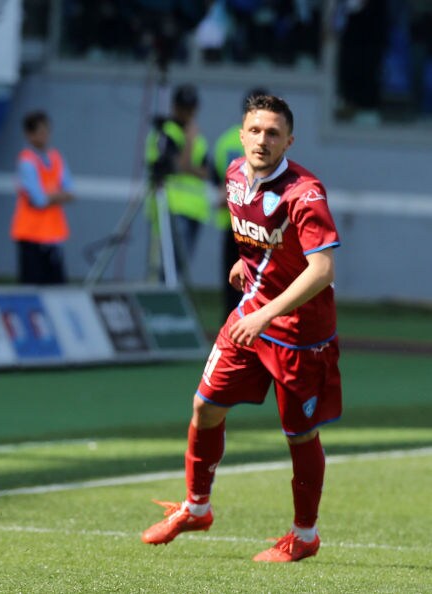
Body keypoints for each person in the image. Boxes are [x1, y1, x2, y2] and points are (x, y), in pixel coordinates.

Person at [141, 94, 342, 563]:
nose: (262, 140)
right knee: (205, 406)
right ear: (241, 134)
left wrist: (266, 314)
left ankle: (305, 535)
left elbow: (322, 270)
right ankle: (197, 508)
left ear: (289, 141)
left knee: (299, 435)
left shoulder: (304, 192)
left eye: (273, 133)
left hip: (299, 334)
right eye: (255, 130)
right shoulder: (234, 175)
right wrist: (245, 263)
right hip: (250, 314)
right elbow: (259, 238)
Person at [144, 83, 212, 280]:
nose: (188, 113)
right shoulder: (167, 133)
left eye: (191, 109)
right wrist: (189, 144)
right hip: (171, 205)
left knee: (181, 265)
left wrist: (191, 167)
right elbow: (180, 166)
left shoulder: (196, 136)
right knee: (167, 264)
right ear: (175, 107)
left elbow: (205, 172)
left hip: (194, 208)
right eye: (184, 108)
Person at [212, 87, 269, 321]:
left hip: (233, 223)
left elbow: (219, 182)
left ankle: (230, 331)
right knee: (260, 285)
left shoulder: (227, 141)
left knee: (232, 286)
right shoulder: (270, 142)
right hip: (258, 226)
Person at [10, 110, 75, 285]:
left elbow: (71, 192)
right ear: (29, 134)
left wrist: (50, 196)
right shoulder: (27, 161)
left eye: (46, 131)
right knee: (32, 286)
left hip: (53, 234)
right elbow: (39, 200)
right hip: (31, 234)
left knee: (57, 286)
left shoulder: (56, 157)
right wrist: (58, 195)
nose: (44, 136)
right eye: (40, 132)